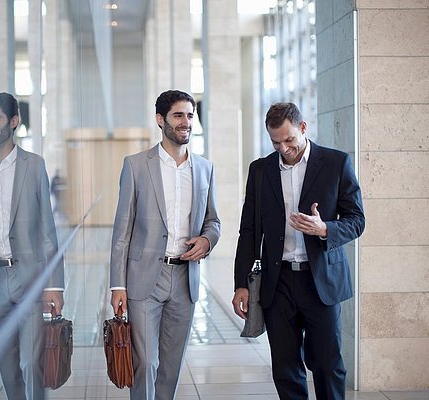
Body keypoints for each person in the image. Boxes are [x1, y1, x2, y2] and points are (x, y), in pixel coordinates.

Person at [232, 102, 365, 400]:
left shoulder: (336, 163)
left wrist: (325, 229)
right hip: (277, 284)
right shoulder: (260, 170)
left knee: (328, 365)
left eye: (289, 139)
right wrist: (241, 283)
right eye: (276, 142)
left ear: (303, 128)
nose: (284, 148)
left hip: (321, 282)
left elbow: (357, 221)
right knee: (285, 367)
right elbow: (249, 231)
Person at [109, 89, 221, 400]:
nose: (186, 122)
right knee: (146, 362)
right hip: (144, 278)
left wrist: (207, 239)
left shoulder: (204, 168)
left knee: (171, 365)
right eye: (178, 115)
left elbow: (214, 220)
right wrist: (117, 285)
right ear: (161, 120)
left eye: (189, 115)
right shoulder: (136, 165)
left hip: (185, 279)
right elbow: (122, 230)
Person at [0, 92, 64, 400]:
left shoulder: (34, 166)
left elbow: (48, 230)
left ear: (13, 122)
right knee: (7, 365)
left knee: (31, 362)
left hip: (29, 277)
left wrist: (55, 286)